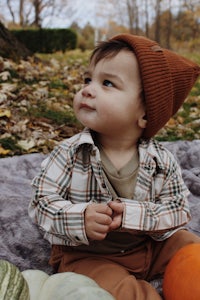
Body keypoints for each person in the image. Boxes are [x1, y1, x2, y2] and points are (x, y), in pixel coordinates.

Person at [29, 33, 200, 300]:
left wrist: (136, 215)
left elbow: (178, 210)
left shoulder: (161, 160)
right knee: (115, 287)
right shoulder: (69, 153)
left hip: (146, 247)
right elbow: (40, 202)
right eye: (88, 79)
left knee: (189, 247)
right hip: (88, 254)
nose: (88, 89)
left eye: (107, 83)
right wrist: (80, 218)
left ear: (145, 113)